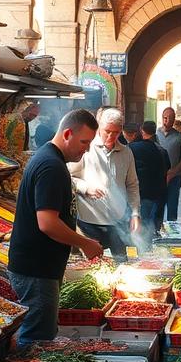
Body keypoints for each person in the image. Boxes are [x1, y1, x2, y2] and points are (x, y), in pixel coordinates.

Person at [7, 109, 105, 345]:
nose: (87, 149)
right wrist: (85, 243)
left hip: (40, 268)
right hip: (36, 270)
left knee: (39, 334)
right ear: (68, 134)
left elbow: (60, 216)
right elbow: (47, 222)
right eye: (84, 142)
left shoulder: (52, 161)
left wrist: (79, 239)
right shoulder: (51, 166)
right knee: (36, 340)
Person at [70, 108, 140, 261]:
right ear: (99, 128)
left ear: (121, 131)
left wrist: (135, 213)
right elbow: (69, 177)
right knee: (93, 267)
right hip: (89, 223)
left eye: (115, 132)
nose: (110, 136)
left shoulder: (126, 153)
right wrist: (86, 188)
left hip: (118, 222)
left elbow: (133, 185)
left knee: (121, 264)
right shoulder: (86, 148)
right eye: (107, 131)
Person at [129, 120, 171, 244]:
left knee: (142, 222)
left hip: (142, 191)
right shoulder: (160, 149)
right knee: (151, 222)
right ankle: (149, 246)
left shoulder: (131, 148)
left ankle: (142, 248)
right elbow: (167, 168)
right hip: (158, 192)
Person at [156, 107, 181, 221]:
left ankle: (172, 234)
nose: (167, 120)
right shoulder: (155, 135)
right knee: (157, 208)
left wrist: (172, 173)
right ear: (162, 118)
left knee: (172, 208)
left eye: (170, 118)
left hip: (174, 178)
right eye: (165, 118)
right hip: (157, 178)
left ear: (174, 119)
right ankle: (156, 233)